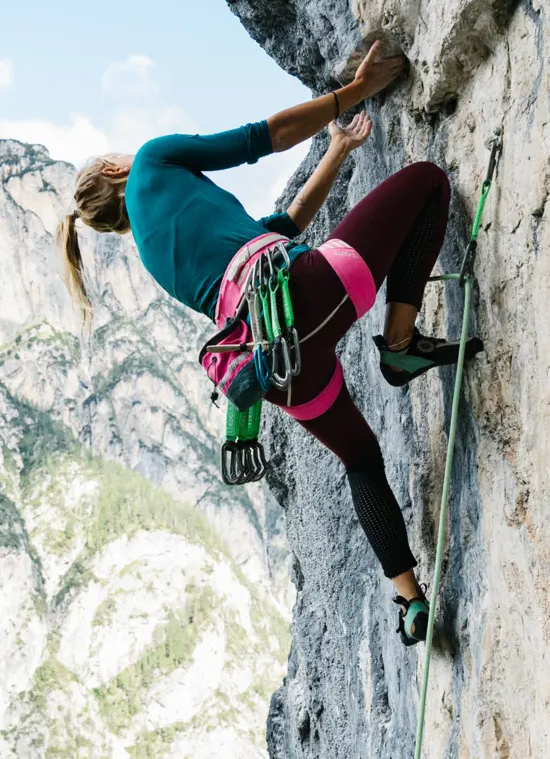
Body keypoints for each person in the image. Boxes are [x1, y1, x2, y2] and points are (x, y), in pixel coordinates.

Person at [57, 42, 482, 646]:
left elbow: (280, 228)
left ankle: (410, 601)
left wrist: (335, 152)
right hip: (308, 295)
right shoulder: (153, 162)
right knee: (428, 184)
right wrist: (355, 92)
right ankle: (400, 343)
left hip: (278, 368)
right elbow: (266, 136)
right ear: (108, 172)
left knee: (360, 459)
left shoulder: (155, 255)